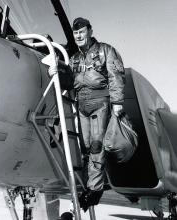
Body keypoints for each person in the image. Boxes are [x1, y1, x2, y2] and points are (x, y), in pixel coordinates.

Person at [69, 17, 125, 211]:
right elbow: (69, 80)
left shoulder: (105, 50)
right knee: (85, 147)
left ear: (90, 31)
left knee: (96, 145)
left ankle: (95, 189)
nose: (78, 36)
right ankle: (90, 185)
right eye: (76, 33)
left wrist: (117, 102)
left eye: (82, 32)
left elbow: (115, 76)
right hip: (82, 103)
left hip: (100, 101)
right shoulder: (75, 58)